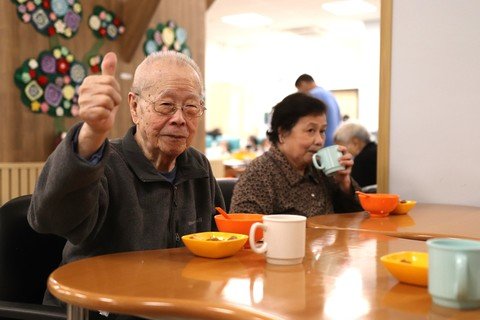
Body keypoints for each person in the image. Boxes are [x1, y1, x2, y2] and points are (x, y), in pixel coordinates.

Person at [27, 51, 225, 313]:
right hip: (95, 311)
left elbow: (217, 244)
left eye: (191, 107)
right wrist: (91, 134)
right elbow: (49, 218)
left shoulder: (198, 167)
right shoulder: (104, 164)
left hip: (176, 309)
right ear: (134, 107)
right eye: (166, 105)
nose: (180, 118)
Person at [230, 93, 362, 216]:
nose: (320, 140)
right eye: (311, 130)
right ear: (282, 134)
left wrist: (344, 183)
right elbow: (243, 229)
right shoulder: (259, 174)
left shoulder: (322, 169)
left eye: (322, 131)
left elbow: (357, 216)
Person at [295, 74, 342, 147]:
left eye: (299, 89)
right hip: (335, 141)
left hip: (322, 143)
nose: (300, 92)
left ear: (303, 83)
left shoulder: (313, 95)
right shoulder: (330, 94)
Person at [334, 122, 377, 188]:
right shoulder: (377, 151)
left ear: (355, 143)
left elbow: (354, 192)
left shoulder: (362, 160)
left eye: (340, 148)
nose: (339, 154)